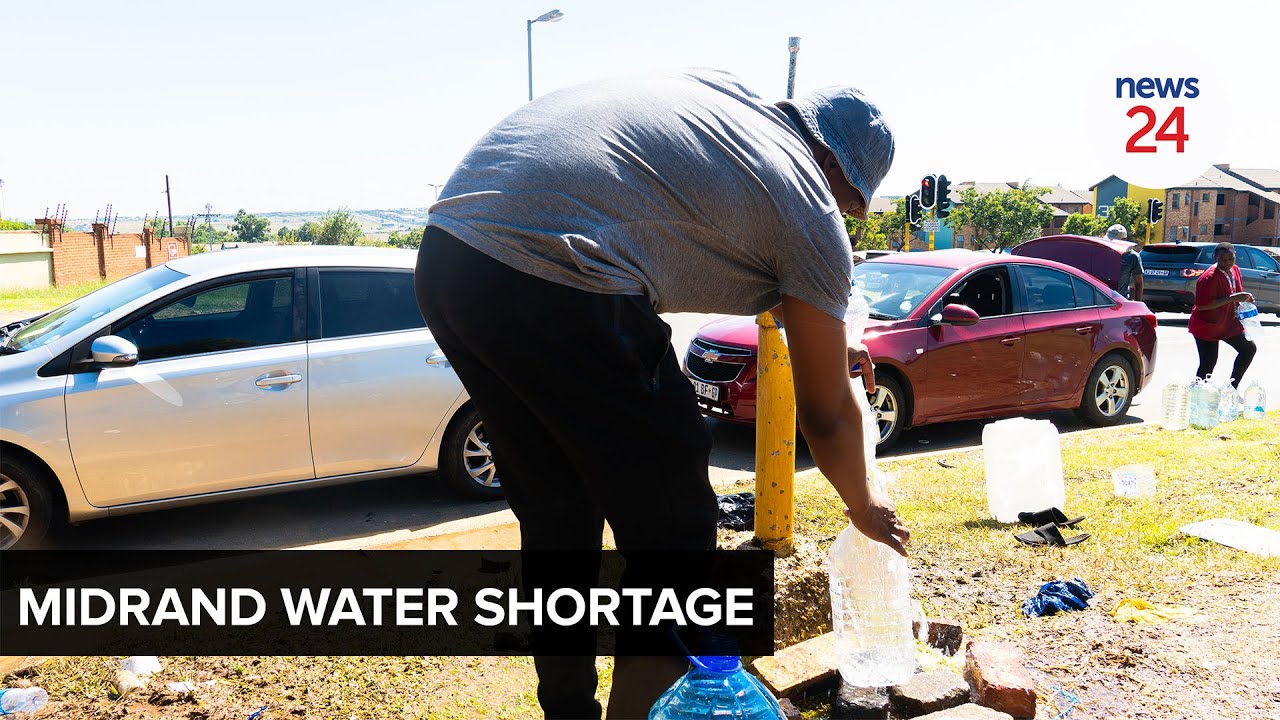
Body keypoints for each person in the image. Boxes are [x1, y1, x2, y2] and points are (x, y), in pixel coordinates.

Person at [415, 69, 909, 719]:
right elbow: (826, 415)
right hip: (562, 274)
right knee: (673, 521)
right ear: (833, 168)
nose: (846, 216)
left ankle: (569, 712)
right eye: (852, 202)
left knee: (559, 511)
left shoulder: (732, 111)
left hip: (455, 259)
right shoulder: (809, 202)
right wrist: (865, 504)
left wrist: (827, 341)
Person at [1189, 242, 1257, 385]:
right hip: (1207, 326)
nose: (1226, 263)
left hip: (1228, 324)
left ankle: (1232, 388)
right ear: (1215, 258)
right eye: (1222, 260)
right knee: (1208, 363)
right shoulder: (1208, 278)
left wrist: (1244, 300)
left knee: (1249, 349)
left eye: (1230, 259)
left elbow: (1235, 292)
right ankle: (1198, 394)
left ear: (1235, 257)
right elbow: (1202, 306)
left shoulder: (1236, 270)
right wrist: (1232, 298)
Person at [1108, 224, 1144, 301]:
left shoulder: (1132, 256)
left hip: (1120, 301)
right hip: (1101, 300)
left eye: (1114, 240)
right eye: (1109, 239)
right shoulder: (1101, 252)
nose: (1111, 242)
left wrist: (1138, 304)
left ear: (1124, 240)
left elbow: (1138, 282)